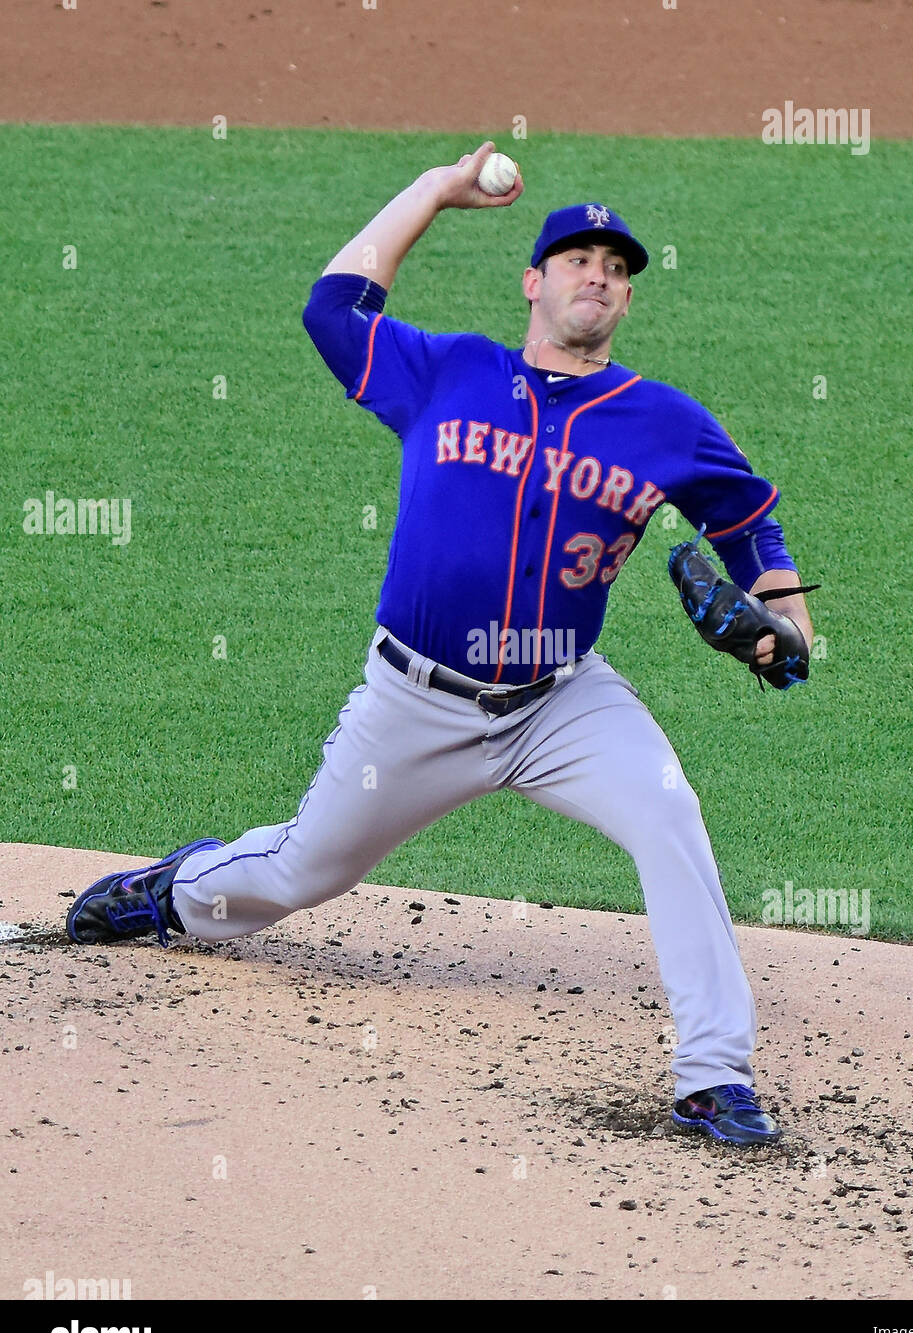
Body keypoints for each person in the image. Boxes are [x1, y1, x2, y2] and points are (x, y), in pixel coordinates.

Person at [66, 141, 813, 1147]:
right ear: (534, 282)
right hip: (415, 702)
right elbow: (332, 310)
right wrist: (433, 191)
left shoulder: (662, 421)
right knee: (297, 871)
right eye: (579, 259)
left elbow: (750, 524)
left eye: (618, 268)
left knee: (669, 816)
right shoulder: (447, 370)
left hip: (562, 701)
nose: (599, 274)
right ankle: (176, 893)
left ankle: (710, 1073)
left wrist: (783, 630)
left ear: (626, 301)